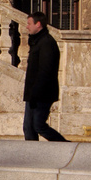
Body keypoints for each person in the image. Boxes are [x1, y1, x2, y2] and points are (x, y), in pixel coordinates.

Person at [22, 11, 67, 142]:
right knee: (28, 127)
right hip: (33, 94)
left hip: (42, 94)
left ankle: (65, 146)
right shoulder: (37, 41)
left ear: (38, 24)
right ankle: (32, 156)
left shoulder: (47, 43)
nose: (27, 27)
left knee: (38, 126)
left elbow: (45, 71)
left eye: (29, 23)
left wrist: (36, 92)